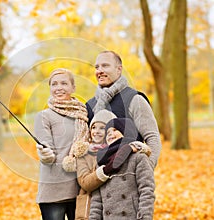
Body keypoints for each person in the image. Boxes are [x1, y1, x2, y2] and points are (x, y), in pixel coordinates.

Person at [86, 50, 161, 168]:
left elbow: (152, 138)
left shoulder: (134, 99)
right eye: (97, 67)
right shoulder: (90, 105)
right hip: (97, 179)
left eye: (105, 65)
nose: (99, 71)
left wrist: (145, 170)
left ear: (119, 69)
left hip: (128, 179)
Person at [75, 109, 151, 219]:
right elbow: (97, 200)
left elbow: (146, 190)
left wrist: (145, 217)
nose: (110, 134)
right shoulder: (102, 162)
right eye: (108, 132)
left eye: (115, 130)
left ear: (125, 131)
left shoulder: (138, 157)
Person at [34, 68, 89, 220]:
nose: (59, 88)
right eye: (54, 84)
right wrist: (45, 155)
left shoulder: (83, 114)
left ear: (73, 87)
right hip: (53, 190)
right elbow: (46, 148)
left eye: (64, 83)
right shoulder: (44, 116)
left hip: (80, 188)